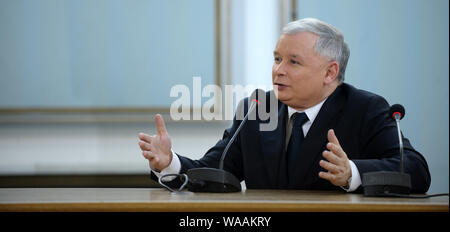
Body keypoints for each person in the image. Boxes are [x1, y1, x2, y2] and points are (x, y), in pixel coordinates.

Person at [138, 18, 430, 192]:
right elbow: (216, 172)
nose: (278, 70)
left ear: (330, 72)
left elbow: (415, 170)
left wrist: (352, 172)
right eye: (277, 58)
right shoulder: (256, 109)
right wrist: (169, 164)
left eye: (293, 62)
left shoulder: (365, 109)